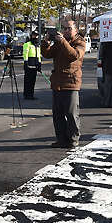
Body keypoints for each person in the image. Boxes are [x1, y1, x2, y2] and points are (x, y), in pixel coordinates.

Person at [41, 21, 86, 149]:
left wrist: (62, 42)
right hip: (57, 83)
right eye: (64, 28)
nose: (66, 31)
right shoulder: (60, 43)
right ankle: (61, 139)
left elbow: (74, 55)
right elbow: (47, 54)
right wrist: (46, 42)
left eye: (69, 28)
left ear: (76, 30)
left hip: (71, 83)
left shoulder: (80, 42)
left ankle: (73, 139)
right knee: (58, 114)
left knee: (71, 114)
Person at [22, 31, 41, 100]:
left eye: (36, 35)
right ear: (31, 35)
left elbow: (39, 55)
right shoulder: (28, 44)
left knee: (33, 80)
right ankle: (27, 94)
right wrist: (26, 62)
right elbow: (25, 54)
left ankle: (31, 94)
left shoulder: (37, 45)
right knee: (28, 80)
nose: (35, 36)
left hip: (35, 64)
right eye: (34, 35)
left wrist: (39, 63)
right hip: (29, 64)